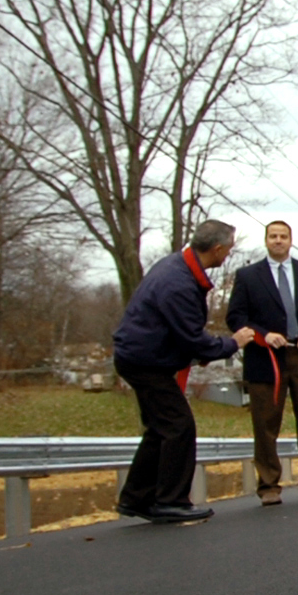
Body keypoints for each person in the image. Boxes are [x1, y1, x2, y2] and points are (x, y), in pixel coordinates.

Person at [112, 219, 257, 523]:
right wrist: (232, 343)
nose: (228, 255)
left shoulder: (176, 266)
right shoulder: (178, 282)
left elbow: (180, 333)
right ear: (217, 249)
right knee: (179, 426)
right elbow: (191, 338)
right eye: (228, 249)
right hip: (145, 362)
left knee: (160, 428)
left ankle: (136, 497)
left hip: (139, 356)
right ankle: (170, 501)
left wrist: (197, 351)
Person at [225, 220, 298, 506]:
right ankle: (268, 486)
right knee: (265, 425)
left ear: (291, 240)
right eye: (273, 236)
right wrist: (264, 335)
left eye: (283, 236)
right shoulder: (248, 276)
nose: (278, 241)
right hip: (266, 360)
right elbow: (236, 317)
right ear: (266, 240)